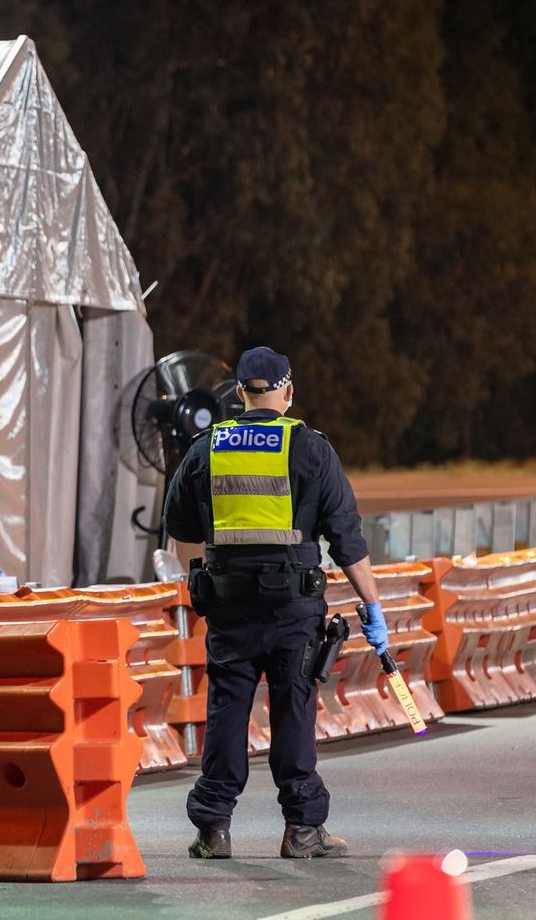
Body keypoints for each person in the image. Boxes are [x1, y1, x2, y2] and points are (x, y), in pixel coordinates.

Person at [162, 346, 388, 861]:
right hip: (292, 608)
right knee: (293, 711)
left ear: (239, 393)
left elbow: (180, 527)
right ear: (287, 391)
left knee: (226, 710)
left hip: (229, 606)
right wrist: (372, 606)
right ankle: (302, 830)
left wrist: (216, 556)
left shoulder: (206, 448)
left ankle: (214, 828)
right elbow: (346, 539)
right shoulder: (309, 448)